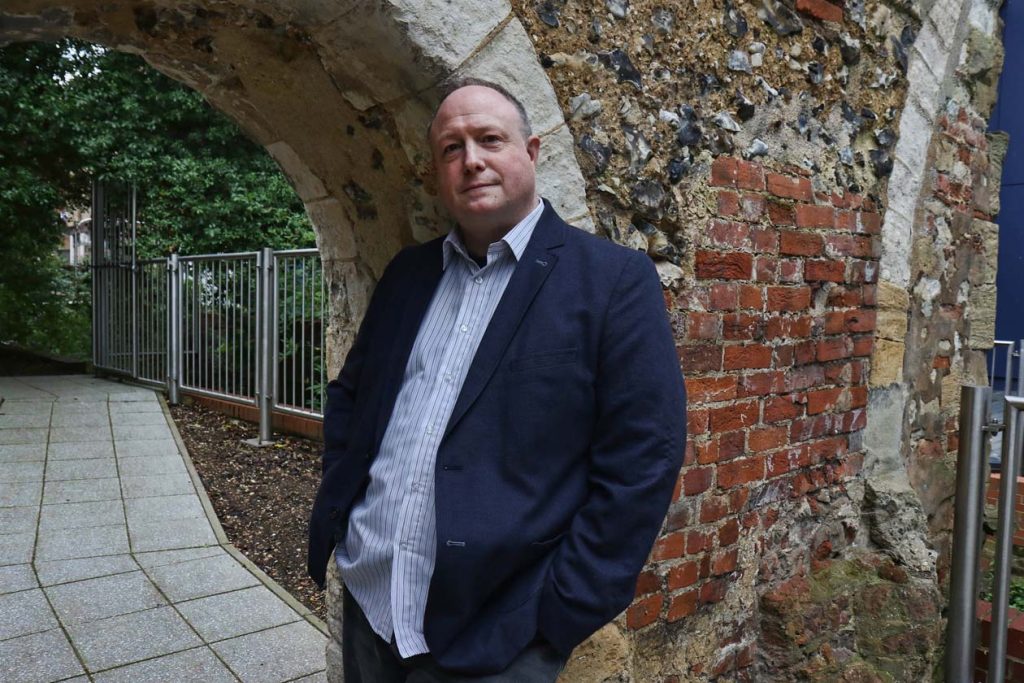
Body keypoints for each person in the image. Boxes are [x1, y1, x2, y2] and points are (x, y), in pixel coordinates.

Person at [307, 77, 687, 682]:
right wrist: (342, 513)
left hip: (499, 631)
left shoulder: (611, 281)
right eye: (451, 149)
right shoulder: (408, 275)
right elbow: (353, 397)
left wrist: (558, 612)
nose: (471, 160)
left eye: (489, 139)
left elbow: (645, 457)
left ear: (532, 152)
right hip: (372, 604)